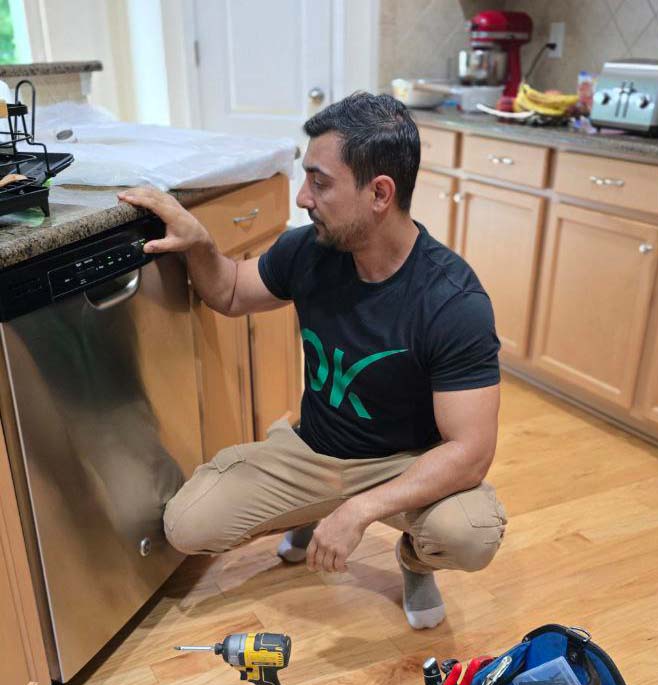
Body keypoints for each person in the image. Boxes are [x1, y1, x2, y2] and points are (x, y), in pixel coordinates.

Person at [118, 92, 506, 630]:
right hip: (311, 450)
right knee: (186, 526)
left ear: (379, 193)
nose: (303, 197)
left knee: (470, 534)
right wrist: (199, 242)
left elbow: (471, 452)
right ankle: (311, 508)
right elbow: (230, 291)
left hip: (402, 463)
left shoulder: (452, 301)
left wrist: (358, 510)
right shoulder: (309, 251)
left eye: (320, 183)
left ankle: (415, 560)